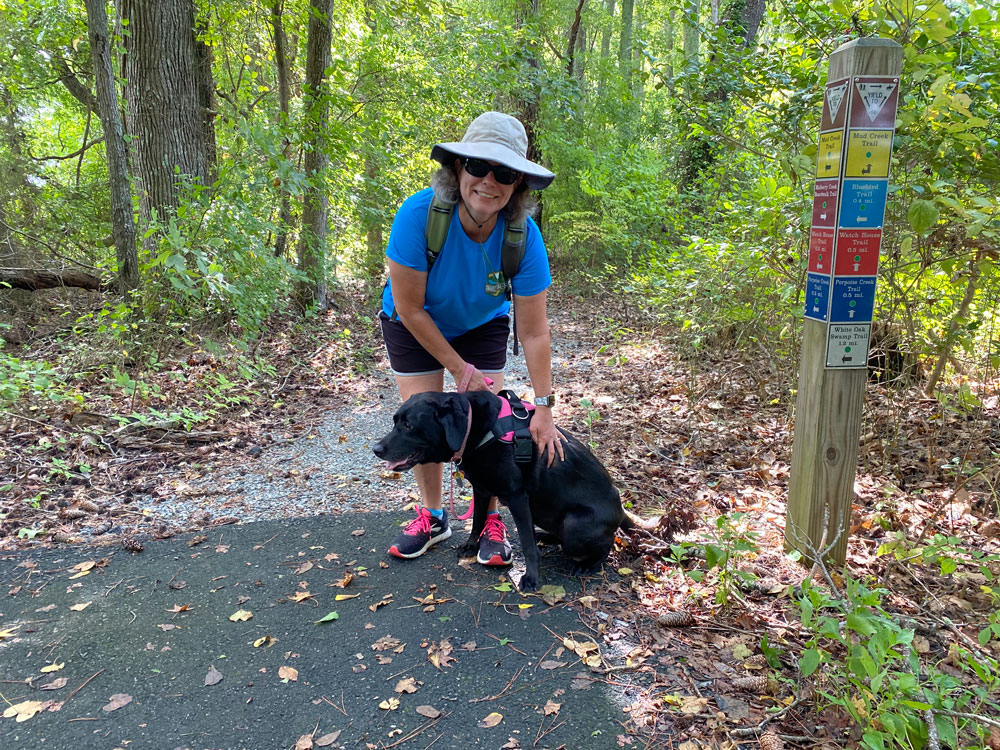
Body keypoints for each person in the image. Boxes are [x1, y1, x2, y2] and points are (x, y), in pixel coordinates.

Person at [379, 111, 565, 566]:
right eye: (478, 166)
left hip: (482, 324)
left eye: (504, 173)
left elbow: (535, 330)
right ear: (458, 169)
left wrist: (544, 407)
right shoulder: (418, 215)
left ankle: (489, 520)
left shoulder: (524, 236)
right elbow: (410, 307)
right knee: (424, 421)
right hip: (412, 323)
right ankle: (433, 515)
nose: (489, 181)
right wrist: (458, 369)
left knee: (488, 425)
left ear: (518, 183)